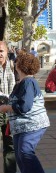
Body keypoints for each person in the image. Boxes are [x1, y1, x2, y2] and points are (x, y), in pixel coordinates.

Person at [0, 51, 50, 173]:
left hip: (31, 125)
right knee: (20, 155)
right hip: (22, 127)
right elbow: (18, 101)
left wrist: (6, 108)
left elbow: (24, 106)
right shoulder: (22, 83)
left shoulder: (28, 82)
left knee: (25, 152)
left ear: (19, 65)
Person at [0, 41, 17, 173]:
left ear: (6, 52)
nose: (0, 53)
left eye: (1, 51)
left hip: (9, 112)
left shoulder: (11, 67)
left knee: (10, 146)